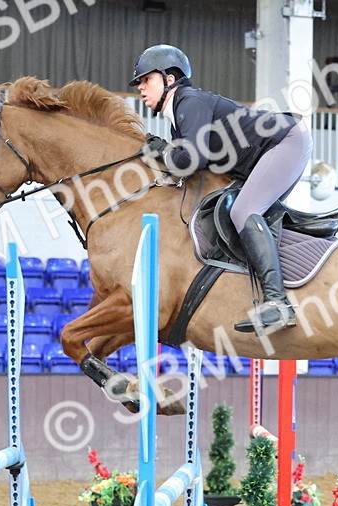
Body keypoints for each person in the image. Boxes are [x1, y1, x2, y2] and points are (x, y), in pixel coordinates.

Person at [131, 44, 312, 335]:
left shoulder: (188, 102)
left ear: (169, 79)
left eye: (145, 80)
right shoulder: (180, 116)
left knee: (244, 210)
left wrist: (163, 152)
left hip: (284, 141)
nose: (140, 88)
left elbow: (190, 159)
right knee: (242, 212)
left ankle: (278, 303)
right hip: (269, 150)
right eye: (139, 83)